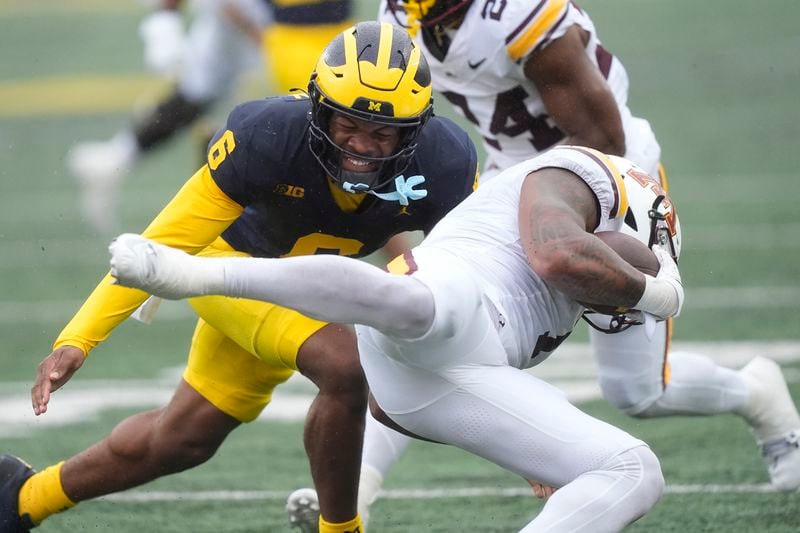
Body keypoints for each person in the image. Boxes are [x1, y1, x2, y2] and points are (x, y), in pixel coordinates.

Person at [291, 0, 800, 526]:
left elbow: (605, 140)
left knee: (640, 391)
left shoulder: (519, 15)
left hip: (604, 192)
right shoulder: (401, 17)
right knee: (427, 336)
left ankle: (755, 393)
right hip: (508, 181)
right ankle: (359, 496)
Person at [0, 21, 478, 533]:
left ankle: (23, 498)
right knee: (345, 366)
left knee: (182, 439)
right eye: (347, 124)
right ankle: (341, 529)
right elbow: (163, 243)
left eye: (382, 132)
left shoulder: (445, 163)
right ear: (319, 109)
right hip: (227, 273)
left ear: (415, 130)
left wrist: (522, 430)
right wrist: (78, 339)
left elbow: (477, 274)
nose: (360, 144)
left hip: (309, 290)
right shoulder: (268, 137)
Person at [106, 147, 686, 531]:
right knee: (419, 305)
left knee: (632, 470)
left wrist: (534, 448)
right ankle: (195, 273)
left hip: (433, 383)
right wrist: (662, 293)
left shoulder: (559, 296)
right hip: (452, 296)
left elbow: (406, 399)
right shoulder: (574, 175)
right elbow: (559, 256)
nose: (615, 303)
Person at [66, 0, 353, 235]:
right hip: (277, 20)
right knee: (310, 123)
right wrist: (165, 22)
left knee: (206, 93)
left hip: (296, 22)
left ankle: (119, 158)